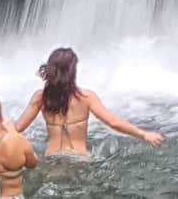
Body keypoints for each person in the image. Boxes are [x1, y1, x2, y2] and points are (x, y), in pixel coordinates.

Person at [13, 47, 164, 158]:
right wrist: (144, 134)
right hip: (79, 160)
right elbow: (113, 122)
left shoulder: (40, 97)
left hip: (52, 159)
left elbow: (17, 128)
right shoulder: (86, 97)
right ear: (72, 72)